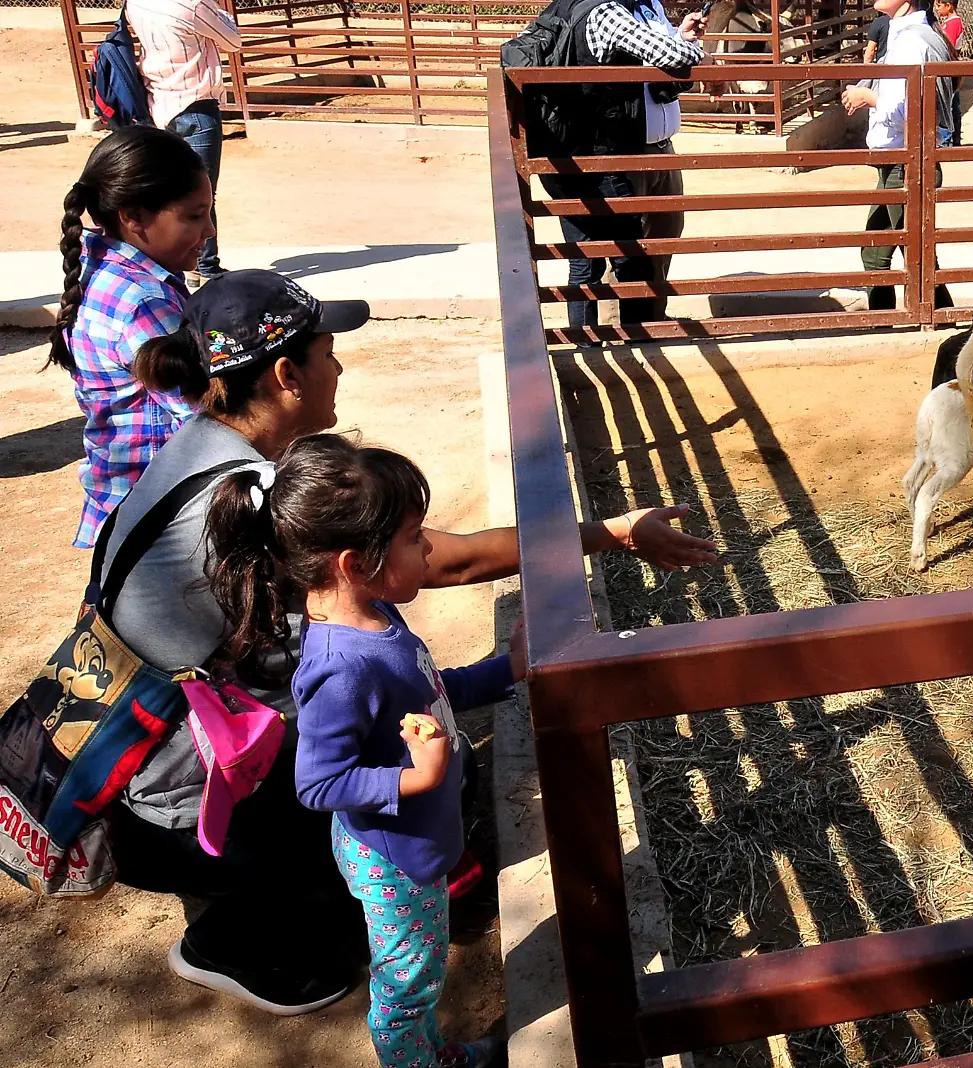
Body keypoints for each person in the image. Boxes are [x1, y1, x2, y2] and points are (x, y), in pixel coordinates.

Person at [106, 269, 716, 1015]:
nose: (341, 367)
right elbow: (443, 559)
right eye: (329, 352)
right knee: (424, 767)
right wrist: (610, 533)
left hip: (135, 763)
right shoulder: (261, 501)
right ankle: (242, 942)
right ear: (287, 374)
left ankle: (270, 892)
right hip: (170, 812)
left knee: (407, 730)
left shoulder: (202, 452)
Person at [200, 433, 513, 1068]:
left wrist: (510, 669)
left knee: (416, 965)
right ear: (353, 562)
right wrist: (413, 783)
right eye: (412, 537)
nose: (428, 547)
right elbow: (316, 784)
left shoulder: (377, 618)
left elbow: (429, 692)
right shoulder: (341, 669)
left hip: (413, 845)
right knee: (408, 984)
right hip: (395, 863)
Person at [47, 126, 211, 549]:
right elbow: (200, 415)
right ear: (134, 216)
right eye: (194, 216)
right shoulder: (144, 302)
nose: (209, 230)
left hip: (119, 504)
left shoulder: (101, 268)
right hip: (160, 518)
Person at [543, 0, 707, 332]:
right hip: (618, 153)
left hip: (650, 146)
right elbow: (667, 55)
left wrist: (678, 37)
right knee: (624, 253)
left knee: (657, 237)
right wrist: (702, 57)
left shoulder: (646, 5)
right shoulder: (608, 12)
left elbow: (651, 55)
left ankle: (636, 325)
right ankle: (630, 331)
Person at [842, 0, 957, 312]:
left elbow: (908, 111)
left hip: (905, 161)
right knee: (880, 249)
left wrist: (867, 97)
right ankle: (891, 320)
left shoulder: (912, 40)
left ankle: (941, 318)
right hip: (897, 159)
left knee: (915, 252)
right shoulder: (910, 34)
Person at [124, 0, 241, 284]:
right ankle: (205, 266)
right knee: (201, 195)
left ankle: (172, 260)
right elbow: (233, 40)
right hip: (195, 106)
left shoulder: (135, 3)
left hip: (159, 105)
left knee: (168, 193)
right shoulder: (193, 3)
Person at [935, 0, 966, 146]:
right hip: (949, 67)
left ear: (949, 6)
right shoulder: (948, 22)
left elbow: (948, 46)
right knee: (952, 105)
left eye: (939, 5)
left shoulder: (953, 23)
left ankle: (946, 142)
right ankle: (954, 140)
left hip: (948, 68)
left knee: (947, 105)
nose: (937, 8)